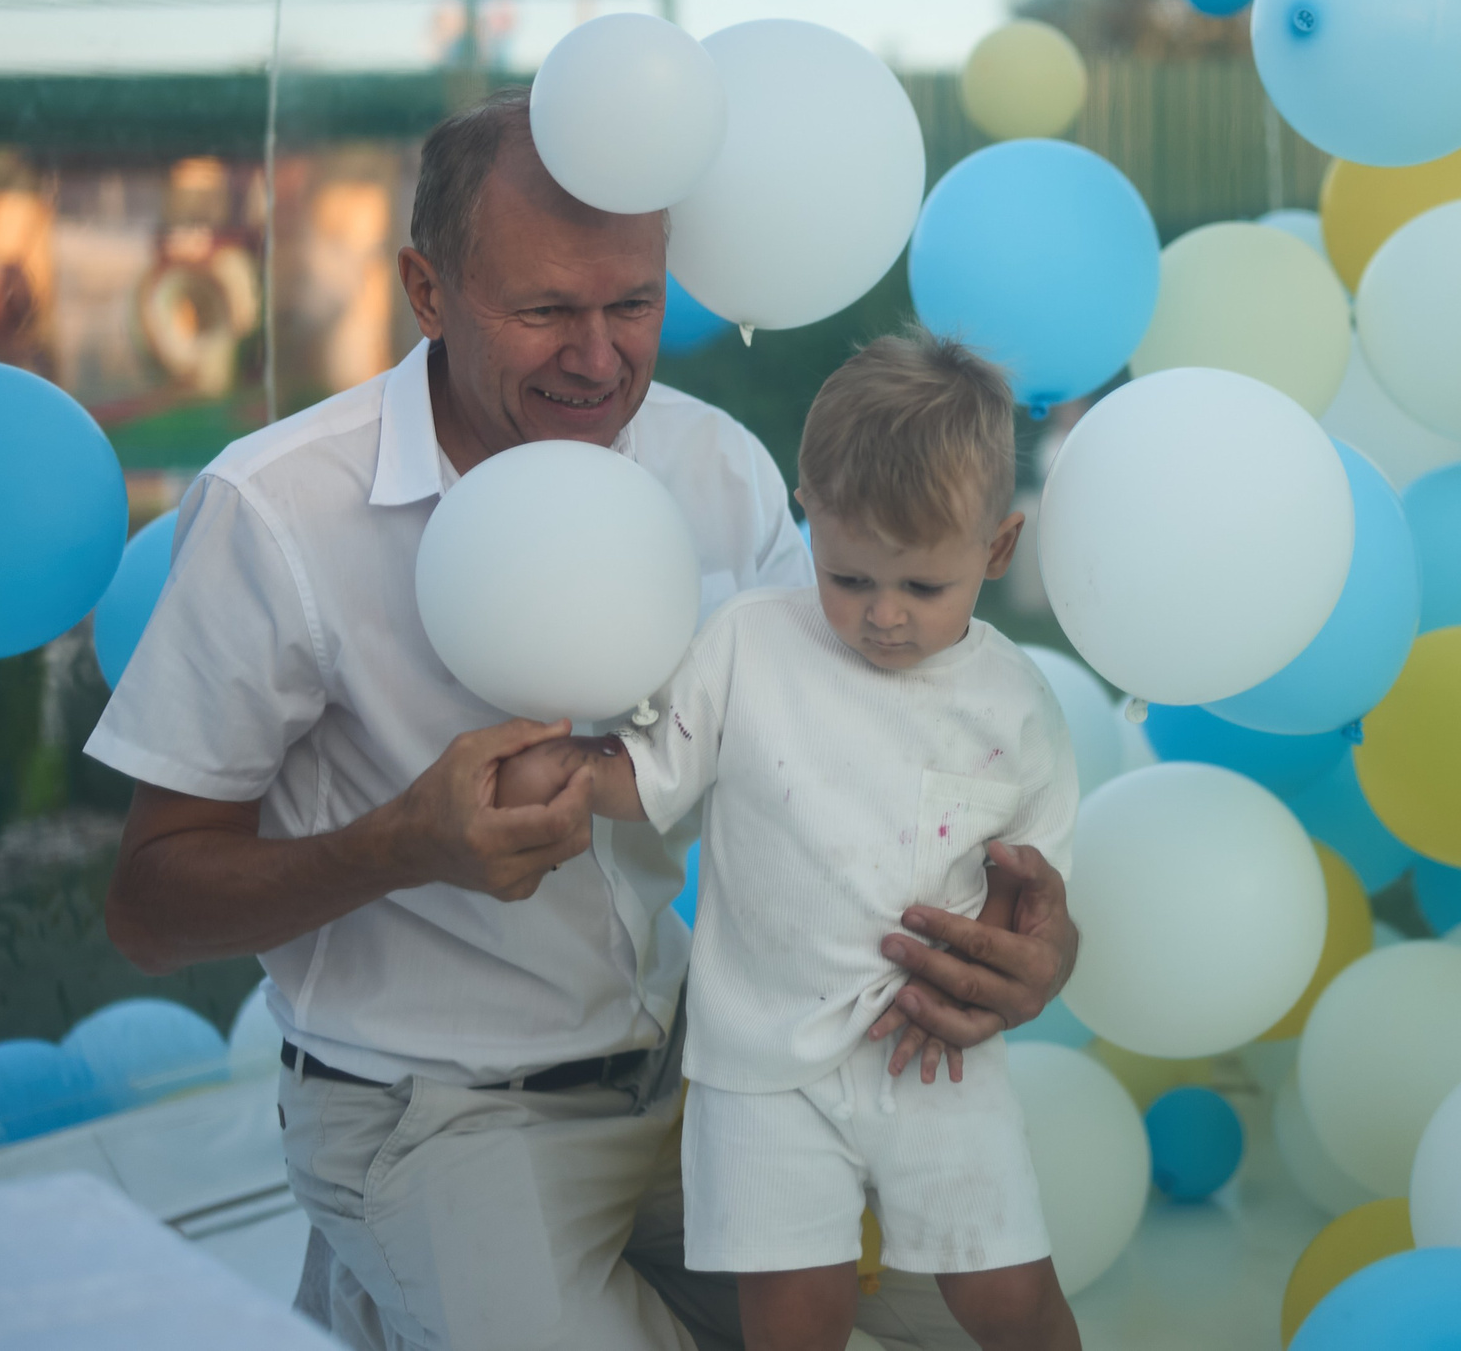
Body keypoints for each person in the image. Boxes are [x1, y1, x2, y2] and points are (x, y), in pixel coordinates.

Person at [91, 89, 1079, 1351]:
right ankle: (397, 1274)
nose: (600, 357)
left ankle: (390, 1305)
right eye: (545, 309)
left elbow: (874, 741)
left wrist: (1030, 949)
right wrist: (402, 845)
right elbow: (146, 909)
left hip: (710, 1077)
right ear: (427, 289)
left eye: (633, 306)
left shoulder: (711, 466)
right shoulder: (278, 511)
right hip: (433, 1114)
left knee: (982, 1324)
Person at [501, 332, 1082, 1351]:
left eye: (923, 589)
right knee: (792, 1317)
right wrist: (576, 772)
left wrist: (982, 959)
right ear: (810, 517)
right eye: (850, 579)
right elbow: (652, 776)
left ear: (996, 548)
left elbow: (1032, 876)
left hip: (926, 1053)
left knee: (1004, 1290)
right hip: (760, 1064)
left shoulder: (1014, 706)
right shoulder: (747, 645)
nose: (884, 617)